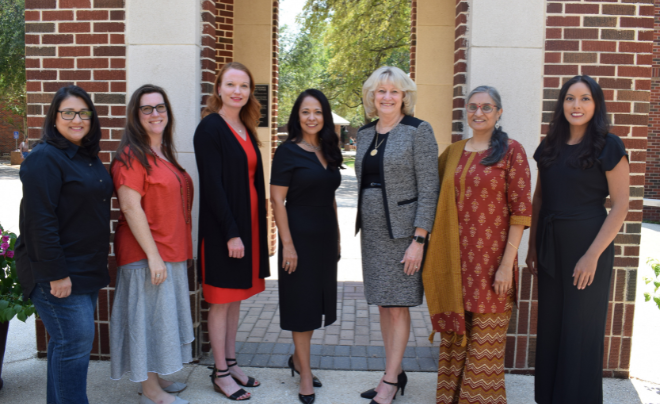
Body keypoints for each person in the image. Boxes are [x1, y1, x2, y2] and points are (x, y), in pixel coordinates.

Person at [422, 86, 532, 403]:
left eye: (486, 107)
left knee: (485, 347)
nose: (478, 113)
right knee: (457, 339)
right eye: (473, 107)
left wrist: (506, 266)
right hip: (456, 265)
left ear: (498, 113)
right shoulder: (454, 153)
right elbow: (428, 189)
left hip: (492, 266)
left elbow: (522, 212)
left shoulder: (512, 151)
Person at [526, 75, 629, 404]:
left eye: (585, 99)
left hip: (589, 247)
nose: (577, 105)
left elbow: (621, 205)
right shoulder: (550, 146)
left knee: (580, 331)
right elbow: (539, 200)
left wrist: (592, 255)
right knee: (552, 328)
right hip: (550, 248)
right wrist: (532, 247)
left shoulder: (609, 145)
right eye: (570, 98)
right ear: (562, 104)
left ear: (595, 105)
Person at [14, 85, 112, 404]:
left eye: (83, 113)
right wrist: (56, 274)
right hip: (58, 270)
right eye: (68, 112)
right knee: (75, 343)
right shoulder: (44, 158)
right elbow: (39, 222)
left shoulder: (86, 157)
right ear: (54, 118)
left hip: (85, 268)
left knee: (66, 344)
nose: (77, 119)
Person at [355, 66, 439, 404]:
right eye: (380, 91)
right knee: (383, 304)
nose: (387, 97)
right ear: (371, 97)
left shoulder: (419, 131)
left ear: (405, 96)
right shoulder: (364, 133)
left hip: (404, 235)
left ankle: (390, 381)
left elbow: (429, 187)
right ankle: (394, 370)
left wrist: (419, 240)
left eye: (394, 91)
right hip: (373, 234)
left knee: (397, 308)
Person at [109, 85, 194, 404]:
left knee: (159, 322)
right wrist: (154, 256)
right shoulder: (132, 156)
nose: (155, 113)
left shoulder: (163, 153)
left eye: (160, 107)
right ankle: (151, 392)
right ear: (135, 115)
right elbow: (131, 207)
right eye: (147, 109)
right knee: (146, 324)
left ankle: (156, 379)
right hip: (146, 256)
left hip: (167, 252)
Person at [193, 62, 270, 401]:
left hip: (247, 228)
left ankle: (232, 362)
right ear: (219, 89)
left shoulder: (245, 126)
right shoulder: (210, 128)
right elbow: (212, 187)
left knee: (236, 297)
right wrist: (231, 233)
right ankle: (220, 372)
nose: (238, 91)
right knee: (221, 301)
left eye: (244, 86)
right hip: (226, 231)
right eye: (231, 84)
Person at [271, 89, 342, 404]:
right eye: (305, 112)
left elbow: (331, 197)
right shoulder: (287, 151)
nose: (311, 117)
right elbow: (276, 199)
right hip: (298, 238)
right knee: (301, 305)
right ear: (296, 117)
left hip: (325, 239)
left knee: (314, 304)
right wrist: (287, 244)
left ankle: (298, 361)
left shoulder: (328, 148)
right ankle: (305, 375)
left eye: (317, 112)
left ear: (324, 116)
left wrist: (338, 237)